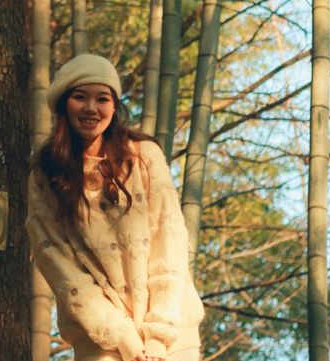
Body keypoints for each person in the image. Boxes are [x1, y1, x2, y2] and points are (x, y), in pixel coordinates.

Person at [26, 53, 204, 361]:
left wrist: (157, 339)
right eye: (80, 97)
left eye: (102, 99)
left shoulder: (144, 157)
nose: (91, 108)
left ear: (114, 106)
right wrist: (124, 338)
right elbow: (60, 266)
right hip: (102, 341)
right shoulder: (46, 175)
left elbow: (169, 242)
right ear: (63, 105)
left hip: (171, 336)